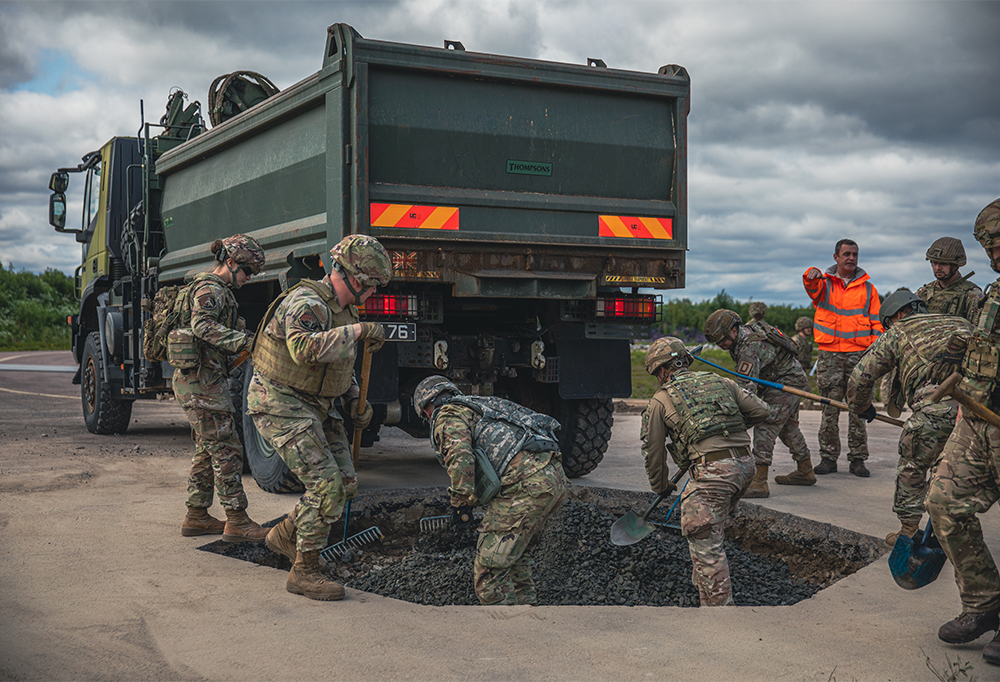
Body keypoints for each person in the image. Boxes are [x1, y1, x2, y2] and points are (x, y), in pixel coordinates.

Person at [247, 234, 391, 601]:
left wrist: (358, 401)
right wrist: (357, 332)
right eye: (372, 287)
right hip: (280, 401)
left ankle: (282, 535)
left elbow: (341, 366)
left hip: (317, 405)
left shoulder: (345, 310)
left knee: (345, 483)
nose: (372, 295)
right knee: (326, 487)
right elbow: (304, 349)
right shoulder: (307, 303)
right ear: (357, 280)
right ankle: (304, 571)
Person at [412, 375, 568, 606]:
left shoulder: (448, 414)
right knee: (515, 559)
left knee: (490, 571)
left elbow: (460, 456)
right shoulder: (481, 404)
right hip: (553, 477)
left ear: (426, 409)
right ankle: (529, 623)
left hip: (525, 485)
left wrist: (460, 502)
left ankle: (506, 634)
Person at [640, 336, 769, 606]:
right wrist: (725, 428)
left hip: (714, 474)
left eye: (656, 374)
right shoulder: (721, 382)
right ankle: (701, 590)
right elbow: (761, 411)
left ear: (663, 370)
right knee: (709, 528)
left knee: (706, 544)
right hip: (746, 467)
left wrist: (661, 486)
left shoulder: (660, 400)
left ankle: (719, 615)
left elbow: (654, 451)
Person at [926, 198, 1000, 666]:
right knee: (944, 503)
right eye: (991, 248)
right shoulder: (994, 291)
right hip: (979, 417)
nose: (995, 257)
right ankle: (985, 602)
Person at [845, 289, 971, 546]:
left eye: (888, 322)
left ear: (899, 314)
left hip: (936, 410)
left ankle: (909, 531)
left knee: (913, 467)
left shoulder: (899, 330)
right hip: (979, 410)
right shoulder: (961, 322)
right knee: (965, 473)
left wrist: (861, 407)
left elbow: (861, 377)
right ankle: (954, 530)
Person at [175, 234, 271, 542]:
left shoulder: (220, 290)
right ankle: (237, 520)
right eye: (246, 271)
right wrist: (244, 341)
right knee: (228, 448)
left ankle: (197, 516)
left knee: (208, 448)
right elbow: (202, 326)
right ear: (230, 262)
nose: (248, 278)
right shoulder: (209, 290)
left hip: (203, 379)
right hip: (201, 383)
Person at [704, 309, 815, 498]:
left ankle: (759, 482)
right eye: (717, 342)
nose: (721, 345)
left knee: (766, 422)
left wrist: (728, 414)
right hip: (781, 379)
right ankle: (806, 471)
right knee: (788, 427)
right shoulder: (745, 334)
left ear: (733, 330)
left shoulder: (748, 347)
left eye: (722, 340)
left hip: (786, 383)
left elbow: (746, 391)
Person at [803, 239, 883, 477]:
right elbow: (810, 287)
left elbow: (878, 323)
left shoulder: (869, 289)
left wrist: (871, 347)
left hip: (859, 355)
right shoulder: (824, 284)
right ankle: (828, 459)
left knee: (859, 409)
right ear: (836, 257)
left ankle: (858, 460)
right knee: (829, 409)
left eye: (855, 254)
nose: (851, 258)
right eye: (846, 254)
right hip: (830, 355)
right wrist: (811, 275)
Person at [916, 236, 983, 323]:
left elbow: (978, 332)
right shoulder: (923, 293)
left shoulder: (971, 295)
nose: (937, 268)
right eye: (934, 263)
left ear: (955, 265)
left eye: (943, 264)